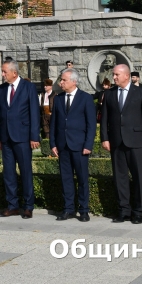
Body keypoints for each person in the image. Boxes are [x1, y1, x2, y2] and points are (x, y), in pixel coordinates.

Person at [101, 64, 142, 224]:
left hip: (137, 142)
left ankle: (138, 211)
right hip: (116, 142)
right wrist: (105, 138)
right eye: (114, 74)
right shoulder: (109, 94)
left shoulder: (141, 92)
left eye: (117, 74)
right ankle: (123, 211)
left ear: (126, 75)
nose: (114, 77)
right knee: (119, 178)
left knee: (138, 177)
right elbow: (104, 118)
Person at [0, 60, 40, 218]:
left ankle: (28, 206)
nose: (2, 74)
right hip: (6, 138)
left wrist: (34, 136)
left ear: (14, 73)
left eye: (4, 72)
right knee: (8, 173)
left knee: (26, 172)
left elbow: (34, 113)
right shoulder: (1, 89)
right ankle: (12, 205)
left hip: (22, 137)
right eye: (2, 71)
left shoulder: (29, 87)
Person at [50, 69, 96, 222]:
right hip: (63, 146)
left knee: (82, 179)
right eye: (61, 80)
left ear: (74, 81)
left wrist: (88, 144)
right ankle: (68, 209)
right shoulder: (58, 99)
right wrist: (53, 143)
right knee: (66, 179)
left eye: (63, 80)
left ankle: (83, 210)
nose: (60, 82)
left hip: (80, 146)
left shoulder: (86, 98)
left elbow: (91, 124)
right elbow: (54, 123)